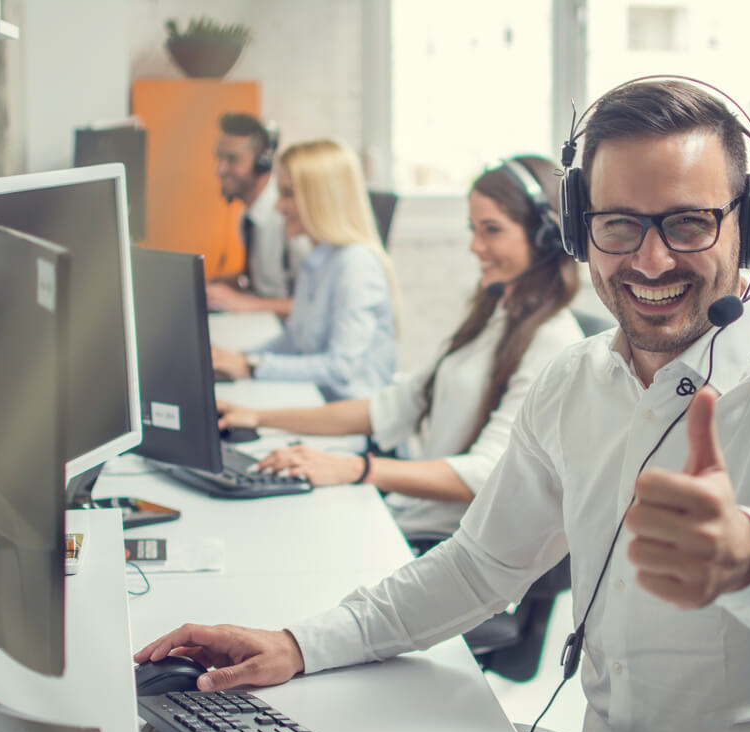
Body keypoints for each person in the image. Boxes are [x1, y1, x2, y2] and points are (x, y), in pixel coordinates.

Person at [138, 79, 750, 732]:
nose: (647, 260)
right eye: (617, 224)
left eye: (688, 223)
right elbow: (478, 567)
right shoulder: (574, 380)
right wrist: (299, 644)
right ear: (581, 229)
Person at [216, 155, 584, 543]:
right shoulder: (495, 314)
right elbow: (392, 405)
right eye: (472, 229)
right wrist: (259, 417)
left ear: (547, 235)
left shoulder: (552, 342)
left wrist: (357, 469)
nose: (475, 246)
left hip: (446, 545)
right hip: (412, 517)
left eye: (491, 230)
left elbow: (485, 472)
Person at [210, 138, 399, 402]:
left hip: (350, 425)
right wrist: (242, 357)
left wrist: (254, 367)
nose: (278, 206)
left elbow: (339, 369)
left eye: (288, 194)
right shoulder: (318, 259)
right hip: (315, 402)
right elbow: (295, 341)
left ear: (321, 199)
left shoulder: (355, 264)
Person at [206, 112, 312, 315]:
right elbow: (259, 280)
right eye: (219, 157)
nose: (219, 169)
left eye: (232, 159)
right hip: (262, 319)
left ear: (261, 163)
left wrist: (244, 303)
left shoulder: (289, 219)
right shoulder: (247, 218)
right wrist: (216, 287)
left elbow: (313, 305)